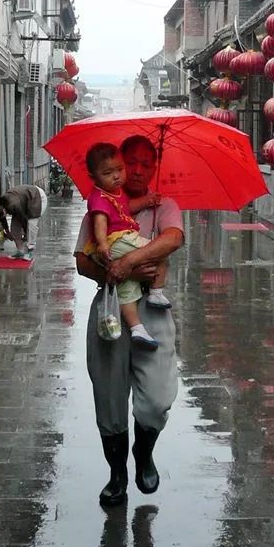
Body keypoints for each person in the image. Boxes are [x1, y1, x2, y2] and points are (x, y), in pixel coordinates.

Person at [75, 135, 184, 507]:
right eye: (128, 163)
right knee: (108, 396)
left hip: (152, 314)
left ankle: (144, 451)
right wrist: (112, 271)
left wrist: (129, 263)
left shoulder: (163, 205)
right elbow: (82, 260)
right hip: (110, 312)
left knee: (156, 398)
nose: (134, 171)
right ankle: (117, 473)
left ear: (153, 168)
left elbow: (172, 238)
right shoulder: (100, 205)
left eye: (142, 164)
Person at [83, 141, 171, 352]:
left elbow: (127, 208)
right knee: (156, 251)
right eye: (108, 172)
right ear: (94, 177)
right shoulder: (99, 198)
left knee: (127, 291)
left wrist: (148, 201)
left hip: (119, 248)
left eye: (119, 170)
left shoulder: (117, 194)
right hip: (118, 241)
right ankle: (156, 293)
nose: (117, 176)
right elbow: (100, 223)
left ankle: (137, 328)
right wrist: (105, 245)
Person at [0, 184, 47, 260]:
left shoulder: (14, 205)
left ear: (4, 210)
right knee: (14, 228)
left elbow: (23, 220)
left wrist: (25, 233)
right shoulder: (0, 205)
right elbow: (2, 219)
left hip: (36, 197)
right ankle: (20, 251)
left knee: (31, 225)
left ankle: (30, 251)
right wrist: (8, 232)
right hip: (23, 200)